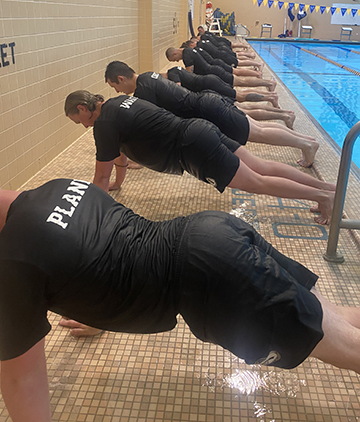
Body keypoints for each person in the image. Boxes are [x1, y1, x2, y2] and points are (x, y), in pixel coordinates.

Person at [1, 179, 360, 422]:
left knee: (347, 348)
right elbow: (106, 246)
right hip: (212, 232)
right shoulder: (59, 187)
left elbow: (23, 381)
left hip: (213, 278)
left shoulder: (12, 261)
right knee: (337, 319)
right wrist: (95, 314)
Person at [64, 90, 334, 224]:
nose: (83, 127)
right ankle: (327, 188)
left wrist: (89, 216)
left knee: (257, 182)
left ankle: (323, 198)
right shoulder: (119, 102)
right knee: (261, 167)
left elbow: (100, 176)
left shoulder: (104, 124)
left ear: (82, 109)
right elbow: (118, 157)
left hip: (193, 148)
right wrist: (118, 184)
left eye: (78, 121)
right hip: (198, 128)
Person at [105, 61, 318, 168]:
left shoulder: (143, 92)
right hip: (207, 101)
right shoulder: (147, 76)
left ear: (121, 78)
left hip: (208, 109)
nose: (116, 91)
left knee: (258, 132)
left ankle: (306, 145)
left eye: (114, 86)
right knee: (257, 127)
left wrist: (133, 158)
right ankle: (306, 141)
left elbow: (147, 128)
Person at [165, 47, 277, 91]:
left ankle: (268, 83)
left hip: (213, 72)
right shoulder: (188, 50)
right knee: (239, 80)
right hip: (214, 69)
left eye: (174, 59)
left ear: (175, 53)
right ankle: (266, 82)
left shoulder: (186, 56)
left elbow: (189, 75)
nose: (176, 61)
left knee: (241, 81)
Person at [166, 66, 280, 107]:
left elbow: (178, 91)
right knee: (238, 88)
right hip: (210, 79)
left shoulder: (172, 75)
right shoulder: (175, 69)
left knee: (239, 95)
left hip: (210, 83)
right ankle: (270, 93)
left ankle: (270, 96)